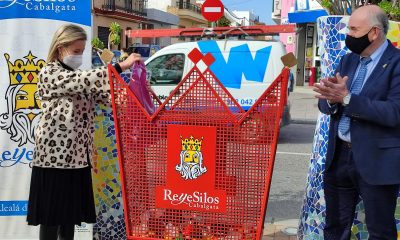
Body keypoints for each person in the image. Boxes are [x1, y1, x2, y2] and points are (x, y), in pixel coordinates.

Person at [26, 24, 140, 240]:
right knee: (52, 218)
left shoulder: (77, 75)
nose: (79, 56)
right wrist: (121, 66)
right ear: (60, 48)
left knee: (69, 216)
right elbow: (83, 81)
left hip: (77, 158)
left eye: (81, 51)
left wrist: (122, 96)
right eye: (76, 51)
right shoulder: (49, 73)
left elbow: (98, 95)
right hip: (54, 160)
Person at [313, 5, 400, 240]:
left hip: (377, 161)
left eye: (353, 30)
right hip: (339, 157)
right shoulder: (348, 60)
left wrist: (347, 98)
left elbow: (394, 112)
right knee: (334, 227)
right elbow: (329, 104)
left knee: (380, 231)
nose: (348, 35)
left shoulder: (397, 63)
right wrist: (329, 99)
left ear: (374, 33)